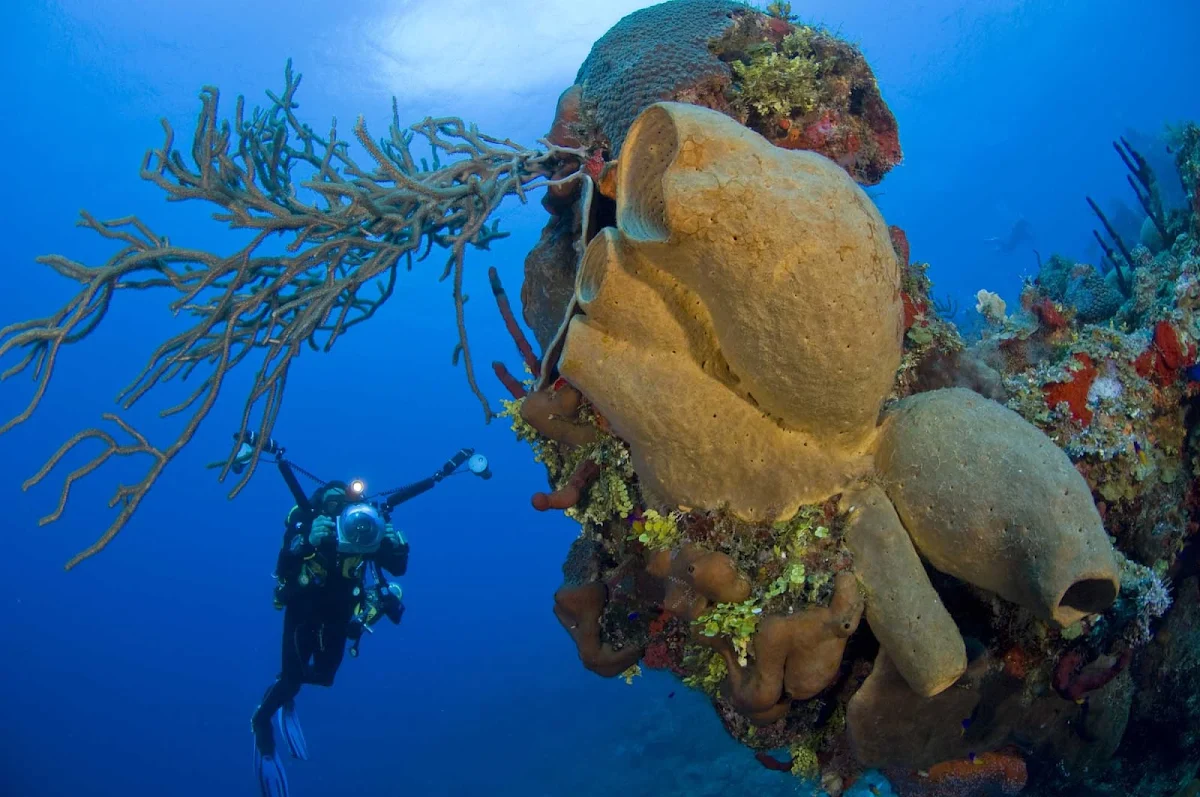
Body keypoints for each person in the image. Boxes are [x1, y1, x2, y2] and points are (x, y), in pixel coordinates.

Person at [251, 480, 409, 797]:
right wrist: (306, 541)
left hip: (339, 615)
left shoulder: (365, 530)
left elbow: (398, 569)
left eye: (345, 505)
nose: (339, 511)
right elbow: (283, 568)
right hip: (302, 612)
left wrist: (395, 545)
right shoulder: (309, 527)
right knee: (292, 679)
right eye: (331, 504)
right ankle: (262, 726)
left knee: (324, 677)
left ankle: (287, 689)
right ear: (320, 505)